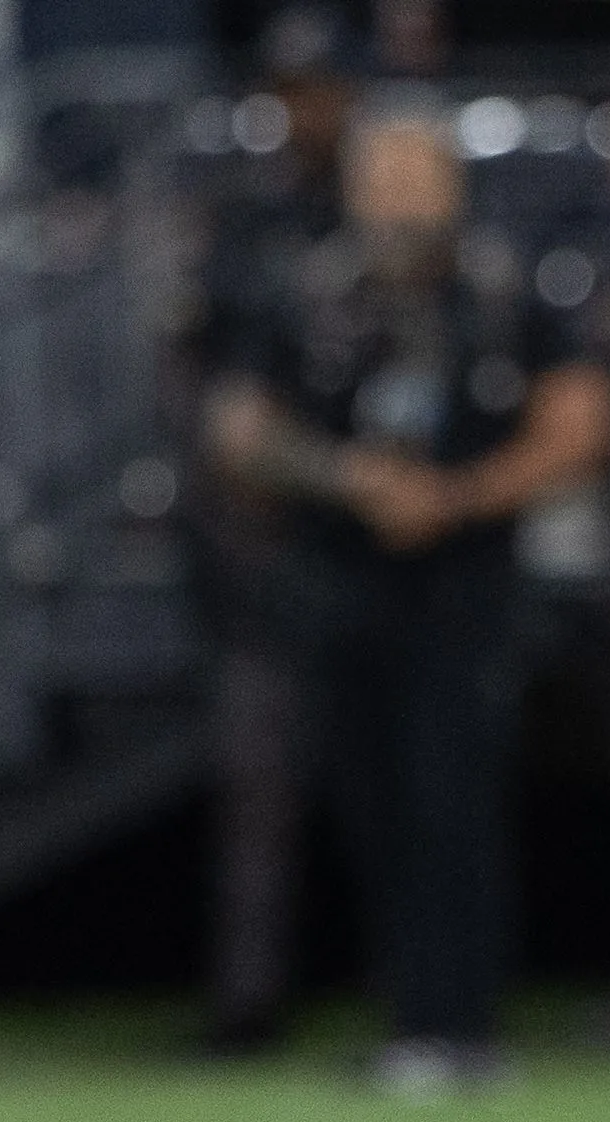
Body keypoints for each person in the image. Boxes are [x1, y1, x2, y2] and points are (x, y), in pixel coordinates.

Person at [202, 98, 610, 1093]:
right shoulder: (306, 291)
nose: (395, 200)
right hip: (342, 581)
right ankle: (407, 1016)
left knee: (456, 797)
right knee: (370, 799)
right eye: (378, 178)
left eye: (412, 177)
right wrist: (348, 479)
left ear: (452, 184)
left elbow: (580, 423)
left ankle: (463, 1019)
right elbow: (239, 429)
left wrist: (459, 496)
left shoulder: (504, 293)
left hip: (465, 585)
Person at [182, 4, 362, 1053]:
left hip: (376, 533)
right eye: (288, 92)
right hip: (264, 540)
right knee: (257, 777)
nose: (304, 111)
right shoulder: (244, 218)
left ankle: (416, 994)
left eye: (319, 89)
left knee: (390, 776)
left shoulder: (387, 203)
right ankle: (247, 1001)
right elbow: (208, 380)